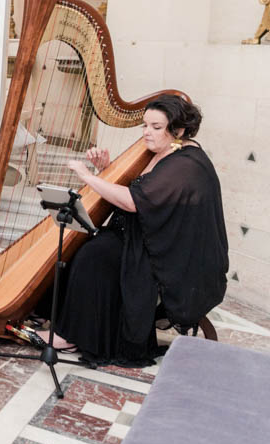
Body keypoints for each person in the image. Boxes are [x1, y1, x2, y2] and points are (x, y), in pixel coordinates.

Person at [36, 95, 227, 366]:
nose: (147, 132)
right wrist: (105, 169)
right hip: (141, 234)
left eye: (156, 127)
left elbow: (134, 201)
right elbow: (141, 187)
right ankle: (63, 319)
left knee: (94, 256)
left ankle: (72, 335)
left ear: (179, 130)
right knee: (80, 245)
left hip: (163, 250)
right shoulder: (164, 151)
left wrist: (88, 177)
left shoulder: (186, 164)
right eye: (145, 125)